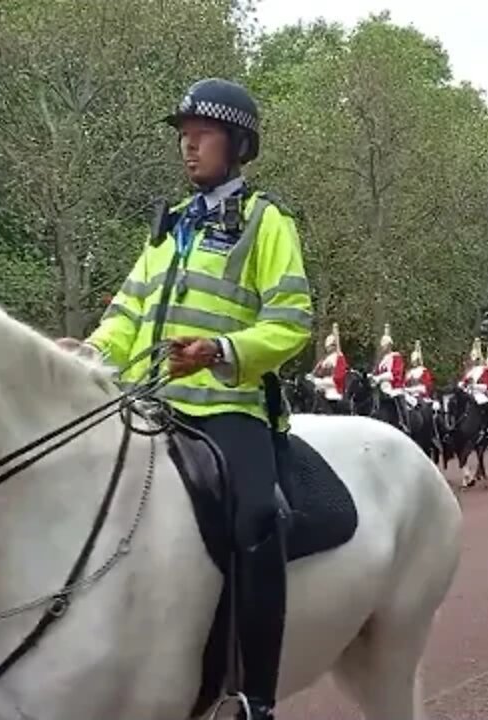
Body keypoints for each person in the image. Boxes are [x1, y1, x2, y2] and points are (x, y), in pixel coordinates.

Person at [68, 77, 312, 720]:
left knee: (259, 520)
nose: (188, 147)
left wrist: (222, 351)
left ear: (237, 144)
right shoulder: (169, 226)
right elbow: (126, 313)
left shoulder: (267, 221)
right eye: (184, 136)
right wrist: (90, 355)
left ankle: (256, 696)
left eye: (200, 135)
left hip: (227, 410)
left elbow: (291, 321)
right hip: (149, 404)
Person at [372, 324, 408, 428]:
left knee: (398, 402)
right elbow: (377, 372)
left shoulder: (396, 357)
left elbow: (395, 373)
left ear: (389, 345)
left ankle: (404, 423)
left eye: (384, 345)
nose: (382, 347)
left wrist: (379, 378)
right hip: (381, 387)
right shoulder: (382, 360)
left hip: (393, 387)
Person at [309, 323, 348, 405]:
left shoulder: (338, 357)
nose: (328, 348)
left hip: (332, 392)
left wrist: (318, 381)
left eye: (331, 345)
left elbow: (337, 378)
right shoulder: (325, 358)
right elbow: (316, 372)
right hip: (321, 387)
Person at [403, 340, 435, 409]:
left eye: (415, 361)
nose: (413, 363)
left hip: (420, 396)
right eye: (412, 361)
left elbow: (425, 388)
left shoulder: (423, 371)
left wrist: (410, 390)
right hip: (409, 396)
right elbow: (404, 383)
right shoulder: (409, 372)